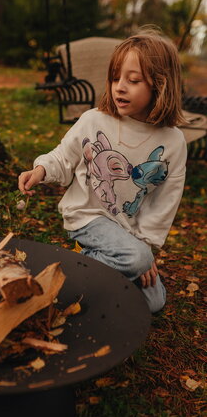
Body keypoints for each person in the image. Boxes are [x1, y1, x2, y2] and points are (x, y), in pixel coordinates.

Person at [18, 29, 187, 313]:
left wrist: (144, 251)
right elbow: (64, 156)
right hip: (88, 216)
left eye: (132, 81)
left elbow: (164, 203)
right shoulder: (93, 120)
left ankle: (90, 266)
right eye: (115, 78)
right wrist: (41, 170)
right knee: (134, 261)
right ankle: (59, 282)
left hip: (127, 230)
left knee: (153, 301)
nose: (120, 86)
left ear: (160, 85)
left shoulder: (173, 142)